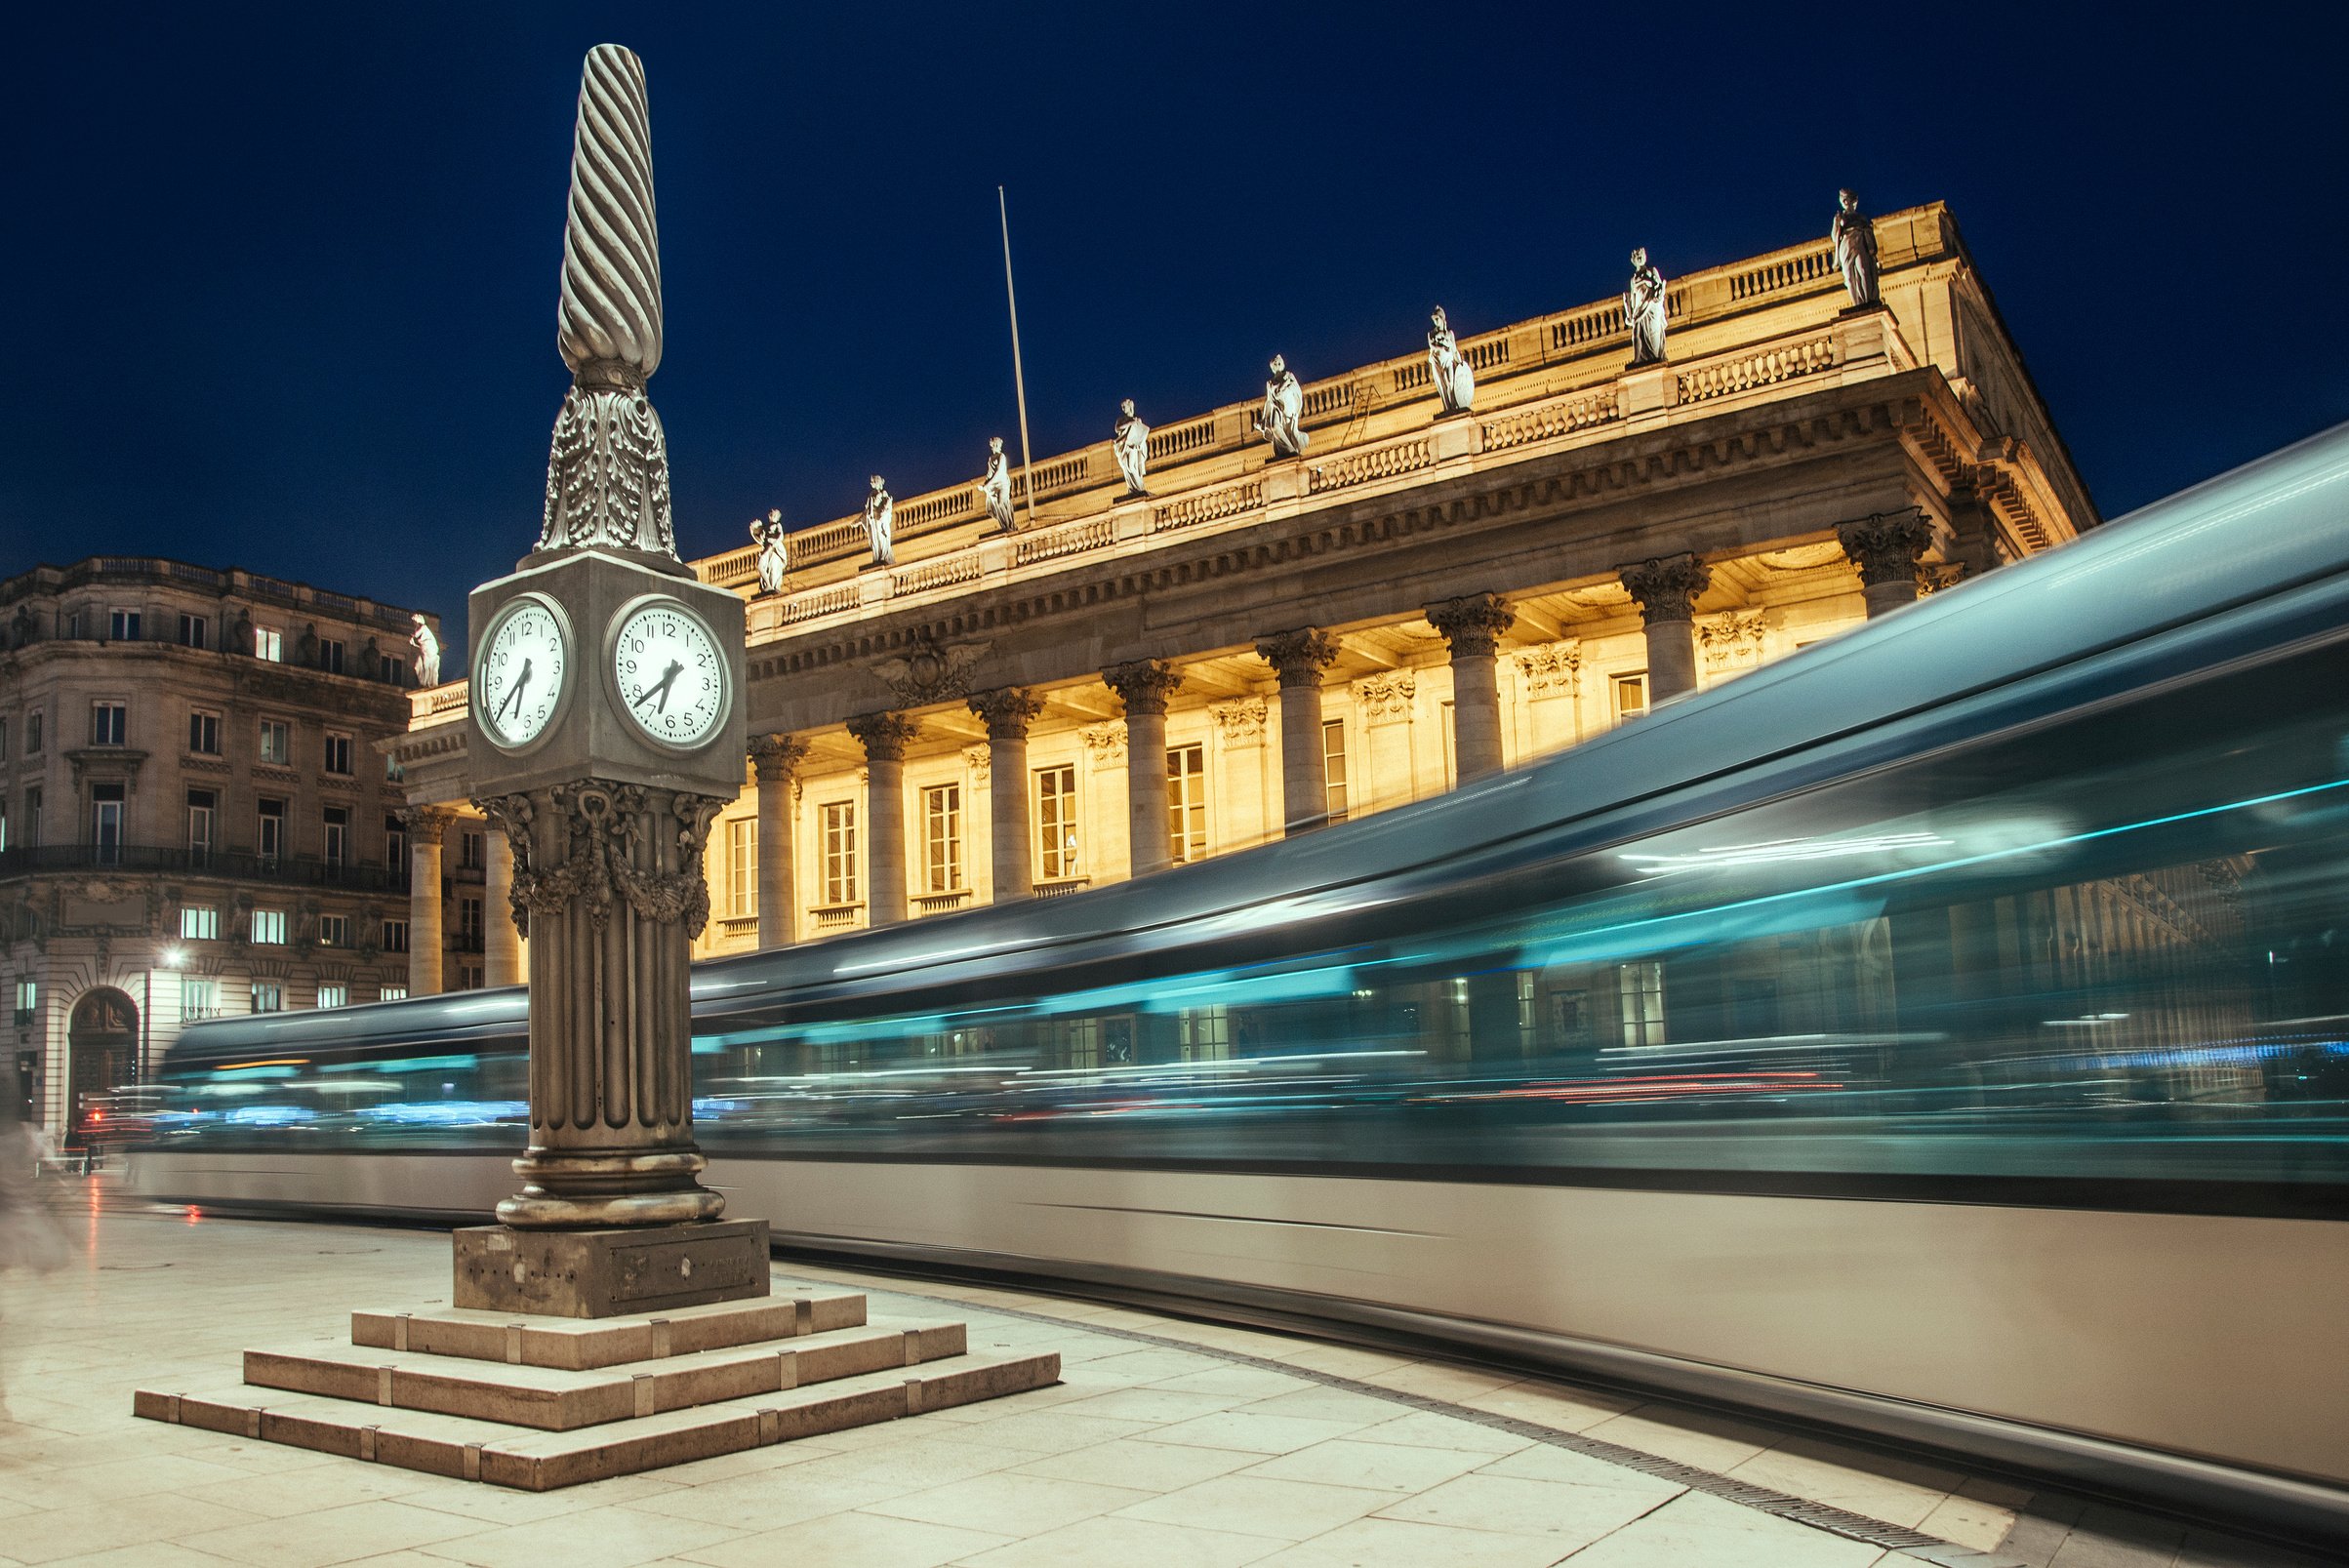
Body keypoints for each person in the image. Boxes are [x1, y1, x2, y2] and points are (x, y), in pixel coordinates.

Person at [1832, 188, 1880, 308]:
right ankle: (1857, 303)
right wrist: (1836, 223)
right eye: (1844, 200)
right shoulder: (1839, 217)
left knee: (1863, 269)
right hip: (1846, 245)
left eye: (1848, 199)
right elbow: (1834, 236)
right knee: (1849, 276)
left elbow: (1868, 231)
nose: (1846, 202)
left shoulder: (1861, 217)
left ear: (1853, 201)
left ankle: (1867, 300)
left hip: (1859, 242)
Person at [1256, 355, 1308, 457]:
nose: (1278, 364)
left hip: (1287, 406)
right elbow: (1269, 401)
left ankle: (1290, 451)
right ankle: (1289, 449)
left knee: (1287, 429)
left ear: (1282, 364)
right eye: (1275, 363)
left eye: (1279, 362)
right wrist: (1263, 418)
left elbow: (1296, 389)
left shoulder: (1288, 375)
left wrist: (1285, 389)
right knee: (1275, 427)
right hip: (1275, 406)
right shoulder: (1270, 382)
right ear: (1272, 367)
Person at [1427, 306, 1475, 415]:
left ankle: (1453, 405)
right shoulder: (1431, 334)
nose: (1435, 322)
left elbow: (1454, 349)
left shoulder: (1450, 334)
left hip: (1448, 360)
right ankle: (1447, 406)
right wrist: (1443, 347)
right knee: (1442, 385)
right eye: (1434, 319)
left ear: (1442, 319)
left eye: (1437, 319)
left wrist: (1460, 362)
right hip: (1437, 362)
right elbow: (1432, 345)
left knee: (1450, 382)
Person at [1624, 248, 1667, 365]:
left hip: (1650, 307)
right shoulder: (1633, 279)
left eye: (1642, 255)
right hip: (1639, 308)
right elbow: (1633, 296)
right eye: (1638, 256)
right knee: (1636, 333)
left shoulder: (1651, 271)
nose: (1640, 257)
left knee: (1652, 336)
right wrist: (1630, 313)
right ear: (1633, 260)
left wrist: (1647, 282)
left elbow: (1658, 286)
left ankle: (1655, 356)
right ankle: (1637, 358)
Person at [1113, 399, 1151, 496]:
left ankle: (1138, 487)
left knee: (1131, 466)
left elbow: (1142, 434)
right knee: (1126, 468)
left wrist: (1136, 423)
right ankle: (1133, 488)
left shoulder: (1137, 420)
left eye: (1124, 406)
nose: (1123, 408)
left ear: (1130, 406)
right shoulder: (1121, 420)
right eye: (1122, 407)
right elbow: (1117, 428)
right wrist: (1130, 423)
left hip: (1132, 446)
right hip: (1123, 446)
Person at [981, 437, 1015, 533]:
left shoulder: (1002, 456)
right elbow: (989, 474)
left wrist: (988, 484)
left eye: (996, 445)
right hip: (994, 486)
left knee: (1001, 503)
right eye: (994, 445)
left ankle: (1009, 525)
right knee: (997, 506)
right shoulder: (991, 458)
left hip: (1003, 484)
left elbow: (999, 472)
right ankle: (1005, 525)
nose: (995, 447)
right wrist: (984, 485)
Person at [750, 509, 788, 594]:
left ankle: (771, 586)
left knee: (773, 570)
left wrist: (774, 542)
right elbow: (761, 540)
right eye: (771, 514)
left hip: (775, 549)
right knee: (760, 566)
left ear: (776, 516)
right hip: (767, 549)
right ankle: (768, 585)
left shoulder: (777, 525)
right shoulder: (765, 528)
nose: (771, 516)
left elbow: (780, 536)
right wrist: (753, 533)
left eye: (773, 514)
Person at [862, 475, 895, 567]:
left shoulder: (884, 493)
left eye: (874, 481)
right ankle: (878, 557)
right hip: (873, 521)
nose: (872, 483)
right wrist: (859, 520)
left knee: (881, 538)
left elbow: (887, 507)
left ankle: (883, 556)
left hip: (880, 520)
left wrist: (887, 506)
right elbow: (866, 510)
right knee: (874, 540)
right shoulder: (871, 495)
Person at [409, 613, 441, 687]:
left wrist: (413, 638)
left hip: (428, 649)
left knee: (425, 667)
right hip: (426, 649)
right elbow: (419, 642)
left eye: (414, 621)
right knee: (420, 666)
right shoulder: (421, 629)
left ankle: (424, 683)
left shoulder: (424, 627)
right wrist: (414, 643)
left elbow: (416, 635)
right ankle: (424, 683)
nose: (414, 623)